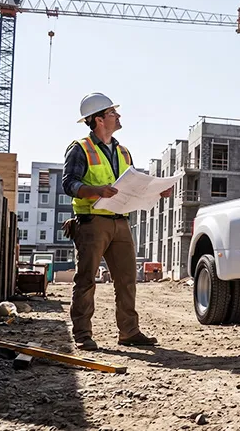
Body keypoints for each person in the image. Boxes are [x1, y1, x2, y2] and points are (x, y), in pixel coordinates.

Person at [62, 92, 172, 351]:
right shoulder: (80, 149)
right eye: (113, 113)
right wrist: (96, 190)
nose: (118, 116)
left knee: (126, 279)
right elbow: (69, 184)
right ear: (98, 120)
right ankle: (82, 335)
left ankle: (129, 332)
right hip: (92, 222)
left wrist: (156, 190)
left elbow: (131, 185)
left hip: (121, 222)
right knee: (86, 279)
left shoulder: (123, 151)